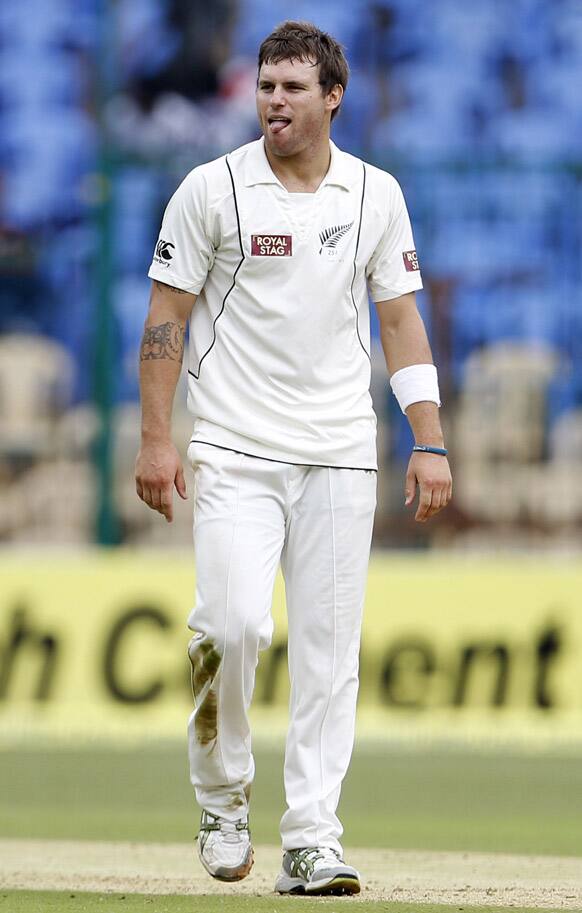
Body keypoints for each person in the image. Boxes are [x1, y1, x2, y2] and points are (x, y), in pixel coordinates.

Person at [135, 20, 452, 897]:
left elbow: (400, 319)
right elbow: (166, 316)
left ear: (332, 96)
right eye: (267, 86)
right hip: (234, 445)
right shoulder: (213, 189)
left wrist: (428, 436)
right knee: (229, 628)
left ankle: (312, 837)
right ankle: (221, 798)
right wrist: (159, 437)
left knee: (328, 653)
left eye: (293, 88)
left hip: (342, 451)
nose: (275, 101)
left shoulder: (374, 194)